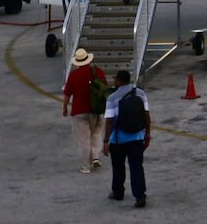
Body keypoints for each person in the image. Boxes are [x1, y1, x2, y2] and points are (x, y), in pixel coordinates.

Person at [102, 70, 150, 207]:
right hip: (137, 138)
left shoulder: (112, 98)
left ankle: (118, 192)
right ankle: (140, 196)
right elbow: (146, 115)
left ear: (118, 80)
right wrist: (147, 134)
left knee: (118, 166)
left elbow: (109, 121)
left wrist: (106, 141)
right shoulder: (140, 94)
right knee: (137, 167)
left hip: (118, 140)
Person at [60, 48, 107, 173]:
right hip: (96, 110)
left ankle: (86, 167)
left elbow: (67, 94)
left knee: (83, 140)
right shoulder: (98, 72)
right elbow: (105, 89)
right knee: (96, 134)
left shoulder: (74, 76)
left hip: (79, 112)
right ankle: (96, 156)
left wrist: (64, 108)